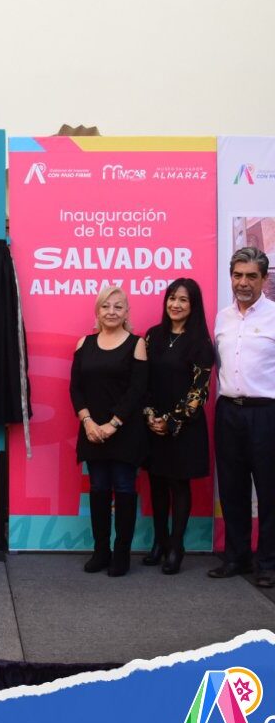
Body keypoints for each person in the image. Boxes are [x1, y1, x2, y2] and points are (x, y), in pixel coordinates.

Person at [70, 285, 148, 576]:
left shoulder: (137, 344)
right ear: (97, 311)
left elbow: (137, 390)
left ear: (127, 312)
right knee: (98, 489)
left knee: (125, 489)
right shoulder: (84, 344)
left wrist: (113, 424)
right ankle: (101, 551)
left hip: (125, 432)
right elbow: (76, 388)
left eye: (118, 306)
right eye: (106, 306)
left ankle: (121, 554)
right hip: (92, 431)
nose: (111, 312)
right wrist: (88, 422)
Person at [210, 247, 275, 586]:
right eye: (237, 275)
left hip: (266, 414)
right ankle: (237, 557)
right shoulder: (222, 318)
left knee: (269, 491)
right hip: (228, 412)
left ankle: (268, 563)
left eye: (251, 276)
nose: (243, 282)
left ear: (264, 279)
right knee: (232, 488)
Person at [142, 279, 214, 574]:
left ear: (193, 305)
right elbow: (143, 380)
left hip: (185, 427)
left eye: (183, 300)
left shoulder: (201, 344)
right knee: (156, 483)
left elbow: (199, 392)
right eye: (172, 298)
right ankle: (159, 542)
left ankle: (176, 547)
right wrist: (151, 416)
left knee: (178, 484)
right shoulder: (153, 336)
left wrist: (171, 421)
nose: (176, 304)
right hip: (153, 423)